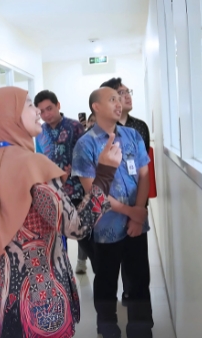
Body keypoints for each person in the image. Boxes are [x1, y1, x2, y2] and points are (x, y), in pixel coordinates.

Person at [0, 87, 121, 338]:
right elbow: (75, 227)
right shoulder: (31, 164)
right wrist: (105, 175)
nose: (38, 113)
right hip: (39, 297)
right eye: (30, 105)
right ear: (10, 116)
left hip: (1, 295)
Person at [73, 87, 153, 338]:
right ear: (96, 107)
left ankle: (141, 330)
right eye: (112, 100)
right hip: (106, 227)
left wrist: (138, 212)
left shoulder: (132, 135)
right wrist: (133, 211)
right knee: (106, 282)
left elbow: (143, 174)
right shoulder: (85, 144)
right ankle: (107, 329)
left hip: (136, 224)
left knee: (139, 280)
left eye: (120, 99)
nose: (119, 104)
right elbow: (93, 193)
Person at [100, 77, 151, 306]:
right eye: (119, 93)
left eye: (127, 91)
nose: (126, 95)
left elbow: (144, 174)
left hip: (136, 212)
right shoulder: (95, 137)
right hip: (108, 216)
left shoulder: (139, 128)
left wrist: (138, 212)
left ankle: (136, 309)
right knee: (108, 273)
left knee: (137, 273)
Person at [34, 89, 92, 275]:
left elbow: (86, 159)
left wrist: (69, 173)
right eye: (41, 111)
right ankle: (62, 274)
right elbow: (39, 159)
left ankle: (99, 271)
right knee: (57, 240)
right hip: (52, 194)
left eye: (49, 108)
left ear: (58, 105)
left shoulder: (75, 127)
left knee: (84, 235)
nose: (46, 114)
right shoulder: (39, 133)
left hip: (76, 192)